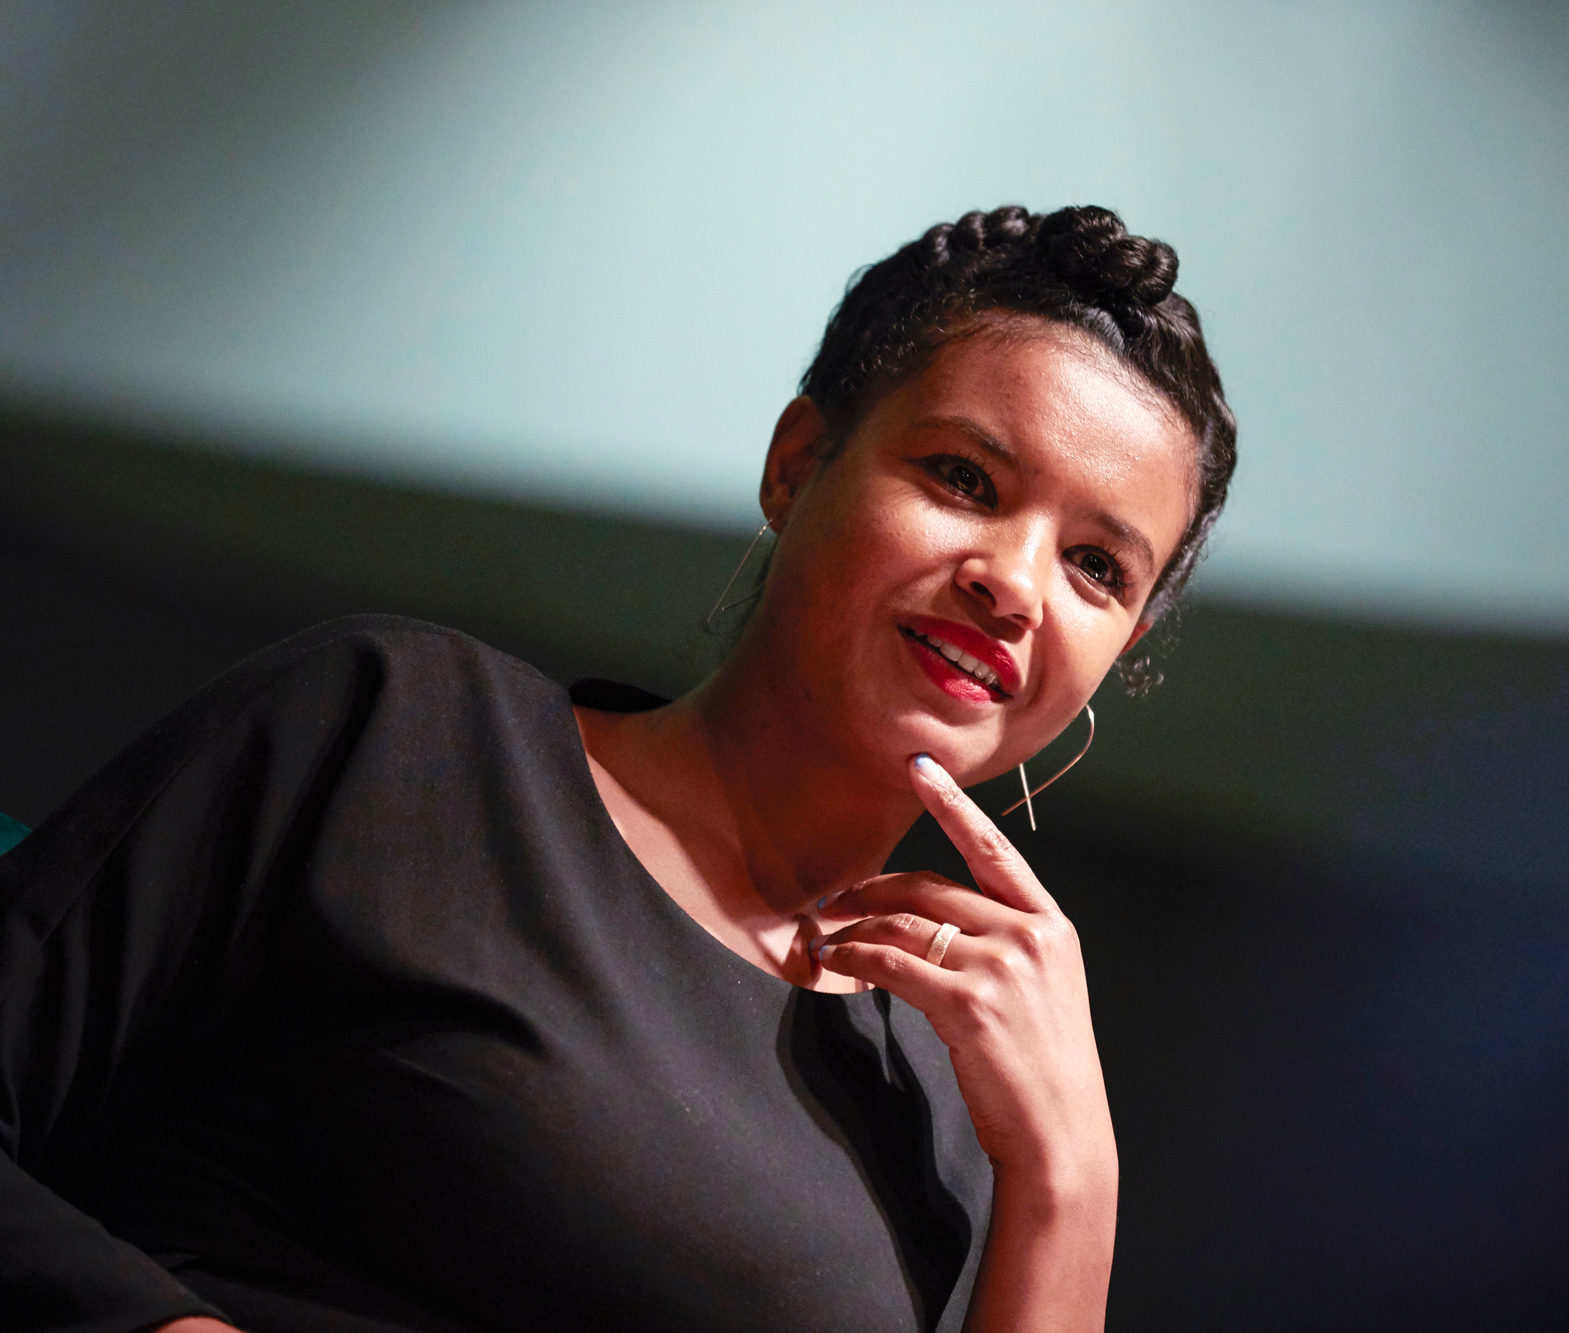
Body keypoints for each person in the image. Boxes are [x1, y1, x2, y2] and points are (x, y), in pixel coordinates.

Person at [0, 204, 1235, 1333]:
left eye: (1095, 567)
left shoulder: (969, 1107)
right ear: (797, 463)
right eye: (963, 478)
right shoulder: (396, 739)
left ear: (1118, 650)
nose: (1012, 585)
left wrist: (1070, 1181)